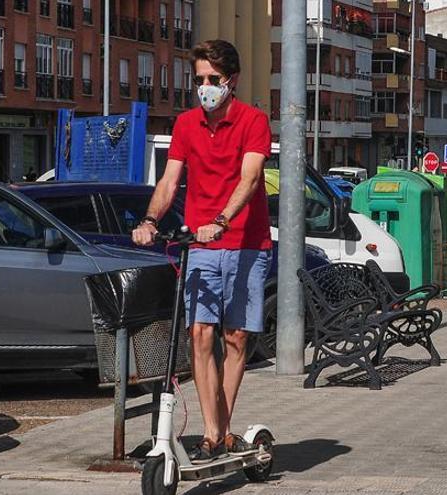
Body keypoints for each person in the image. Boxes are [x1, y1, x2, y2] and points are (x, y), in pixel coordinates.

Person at [132, 40, 273, 464]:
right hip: (202, 245)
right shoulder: (187, 124)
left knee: (236, 338)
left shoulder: (254, 121)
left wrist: (223, 220)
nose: (205, 87)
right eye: (199, 80)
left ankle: (224, 429)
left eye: (213, 79)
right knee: (200, 333)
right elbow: (168, 182)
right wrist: (150, 221)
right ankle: (213, 433)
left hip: (245, 242)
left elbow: (249, 180)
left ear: (232, 80)